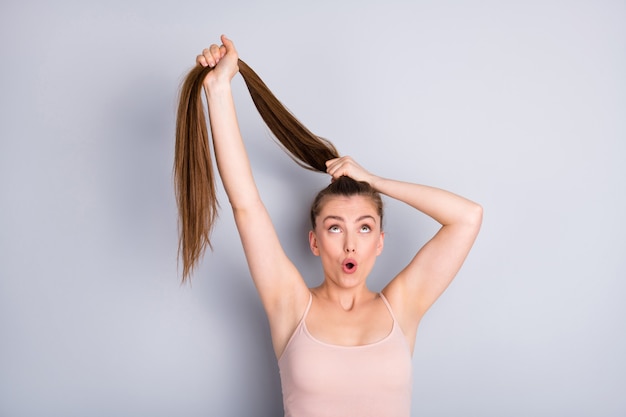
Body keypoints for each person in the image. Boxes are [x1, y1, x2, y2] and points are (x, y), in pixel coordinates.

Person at [182, 35, 482, 417]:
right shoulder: (291, 304)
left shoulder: (403, 306)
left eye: (365, 228)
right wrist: (218, 89)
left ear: (380, 242)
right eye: (335, 228)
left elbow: (467, 217)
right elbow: (247, 206)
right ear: (315, 242)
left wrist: (375, 181)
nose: (351, 244)